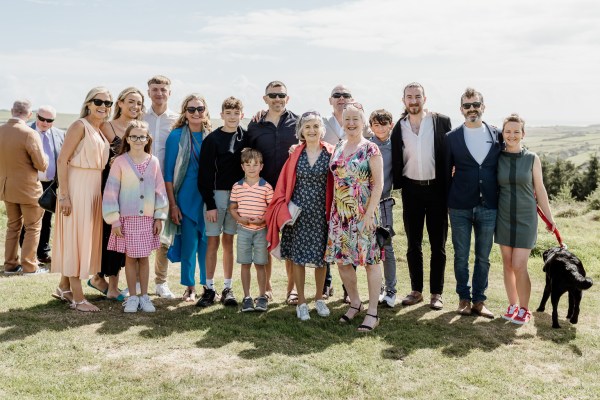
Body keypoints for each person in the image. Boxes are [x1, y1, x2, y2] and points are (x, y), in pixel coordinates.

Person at [266, 111, 335, 320]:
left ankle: (319, 299)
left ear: (322, 130)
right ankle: (302, 302)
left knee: (322, 258)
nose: (312, 130)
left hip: (321, 213)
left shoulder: (331, 153)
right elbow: (285, 183)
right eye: (307, 127)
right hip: (298, 214)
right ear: (301, 131)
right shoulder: (295, 153)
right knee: (298, 258)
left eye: (316, 126)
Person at [390, 82, 452, 310]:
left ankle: (437, 293)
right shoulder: (399, 127)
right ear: (403, 100)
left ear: (424, 98)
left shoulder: (441, 121)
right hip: (411, 190)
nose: (413, 100)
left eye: (417, 96)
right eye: (409, 97)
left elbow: (451, 153)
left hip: (437, 189)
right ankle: (417, 290)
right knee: (413, 243)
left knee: (439, 244)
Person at [325, 103, 384, 332]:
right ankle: (355, 302)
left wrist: (369, 215)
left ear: (363, 122)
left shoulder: (371, 149)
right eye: (347, 119)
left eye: (355, 119)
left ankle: (373, 312)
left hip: (363, 214)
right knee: (342, 261)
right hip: (340, 215)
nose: (350, 123)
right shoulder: (339, 146)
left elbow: (378, 184)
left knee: (370, 262)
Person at [51, 87, 111, 311]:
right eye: (99, 101)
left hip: (94, 190)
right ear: (88, 103)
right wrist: (64, 195)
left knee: (84, 238)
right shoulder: (79, 126)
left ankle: (64, 288)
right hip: (77, 189)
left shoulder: (100, 129)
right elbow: (62, 161)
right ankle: (78, 298)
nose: (103, 106)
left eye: (108, 103)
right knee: (76, 239)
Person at [445, 87, 502, 319]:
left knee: (483, 256)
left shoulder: (497, 134)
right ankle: (463, 299)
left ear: (483, 107)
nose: (472, 109)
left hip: (489, 204)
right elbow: (445, 172)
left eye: (476, 105)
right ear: (461, 110)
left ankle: (479, 300)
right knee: (461, 255)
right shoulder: (451, 138)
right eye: (467, 106)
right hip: (459, 205)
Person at [103, 120, 168, 313]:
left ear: (147, 139)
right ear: (128, 139)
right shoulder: (120, 162)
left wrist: (159, 216)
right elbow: (111, 192)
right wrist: (113, 219)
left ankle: (145, 296)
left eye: (142, 136)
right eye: (134, 136)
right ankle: (132, 297)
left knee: (144, 258)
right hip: (127, 218)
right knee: (130, 258)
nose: (138, 140)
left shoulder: (153, 162)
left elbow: (160, 191)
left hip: (147, 219)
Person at [496, 113, 555, 325]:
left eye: (516, 131)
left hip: (526, 218)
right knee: (507, 264)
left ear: (523, 133)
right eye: (508, 131)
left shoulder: (532, 158)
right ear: (503, 133)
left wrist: (550, 218)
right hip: (503, 217)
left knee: (520, 264)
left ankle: (524, 309)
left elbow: (540, 189)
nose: (512, 135)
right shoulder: (498, 157)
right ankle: (511, 305)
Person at [88, 86, 145, 301]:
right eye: (130, 101)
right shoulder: (107, 126)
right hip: (109, 187)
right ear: (120, 103)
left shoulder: (140, 129)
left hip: (130, 190)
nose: (134, 106)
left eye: (138, 103)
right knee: (110, 234)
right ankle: (108, 283)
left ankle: (104, 280)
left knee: (123, 236)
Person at [246, 81, 298, 304]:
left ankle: (292, 289)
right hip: (263, 191)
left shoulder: (299, 123)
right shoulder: (255, 124)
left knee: (291, 240)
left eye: (281, 95)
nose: (277, 99)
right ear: (265, 98)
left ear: (288, 97)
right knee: (264, 240)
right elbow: (247, 154)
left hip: (292, 190)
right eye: (273, 95)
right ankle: (266, 287)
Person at [196, 96, 246, 307]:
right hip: (216, 196)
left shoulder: (246, 138)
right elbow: (204, 174)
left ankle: (227, 288)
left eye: (236, 113)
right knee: (212, 242)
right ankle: (209, 288)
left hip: (238, 197)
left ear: (241, 115)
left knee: (228, 243)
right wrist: (211, 203)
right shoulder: (212, 140)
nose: (232, 117)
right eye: (228, 113)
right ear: (222, 115)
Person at [162, 94, 210, 303]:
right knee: (189, 244)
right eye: (191, 109)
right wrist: (173, 204)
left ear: (205, 111)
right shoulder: (175, 136)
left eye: (200, 109)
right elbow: (168, 174)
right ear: (185, 112)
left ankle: (208, 286)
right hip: (185, 197)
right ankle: (189, 287)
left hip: (208, 198)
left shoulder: (212, 136)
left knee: (207, 244)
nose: (196, 113)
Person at [0, 99, 49, 275]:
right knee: (33, 227)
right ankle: (29, 266)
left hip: (6, 188)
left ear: (12, 111)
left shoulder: (1, 130)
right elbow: (42, 164)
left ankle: (10, 265)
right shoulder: (29, 133)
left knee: (13, 226)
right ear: (29, 115)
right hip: (28, 189)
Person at [144, 75, 179, 299]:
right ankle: (135, 281)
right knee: (137, 232)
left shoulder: (177, 119)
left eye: (163, 89)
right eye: (155, 89)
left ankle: (161, 282)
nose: (159, 93)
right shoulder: (140, 117)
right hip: (140, 181)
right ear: (148, 92)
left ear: (169, 92)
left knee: (163, 235)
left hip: (167, 181)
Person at [18, 105, 64, 265]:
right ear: (36, 116)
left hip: (50, 185)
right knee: (28, 220)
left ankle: (43, 252)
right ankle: (26, 253)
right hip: (29, 184)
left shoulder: (60, 134)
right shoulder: (25, 131)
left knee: (47, 219)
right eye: (41, 119)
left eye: (49, 120)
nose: (44, 123)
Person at [229, 148, 274, 312]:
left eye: (255, 164)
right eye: (248, 164)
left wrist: (263, 219)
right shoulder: (237, 186)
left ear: (261, 166)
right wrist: (240, 219)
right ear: (243, 167)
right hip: (243, 231)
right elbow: (232, 208)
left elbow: (271, 208)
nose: (252, 168)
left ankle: (262, 296)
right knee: (245, 263)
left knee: (260, 263)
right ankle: (247, 297)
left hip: (261, 231)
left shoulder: (266, 187)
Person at [369, 109, 398, 308]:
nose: (380, 128)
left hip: (385, 202)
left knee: (386, 247)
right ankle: (376, 288)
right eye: (376, 125)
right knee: (370, 248)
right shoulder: (367, 145)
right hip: (366, 204)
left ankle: (391, 290)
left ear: (391, 124)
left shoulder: (396, 146)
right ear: (370, 126)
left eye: (384, 124)